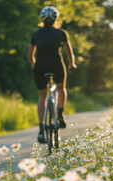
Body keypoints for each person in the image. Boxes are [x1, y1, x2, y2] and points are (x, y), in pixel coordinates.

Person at [27, 6, 77, 143]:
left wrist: (34, 66)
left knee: (42, 95)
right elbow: (69, 53)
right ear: (56, 19)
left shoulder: (36, 33)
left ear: (42, 19)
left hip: (40, 67)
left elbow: (30, 55)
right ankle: (60, 115)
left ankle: (42, 130)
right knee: (60, 88)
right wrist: (71, 64)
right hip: (56, 65)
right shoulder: (61, 33)